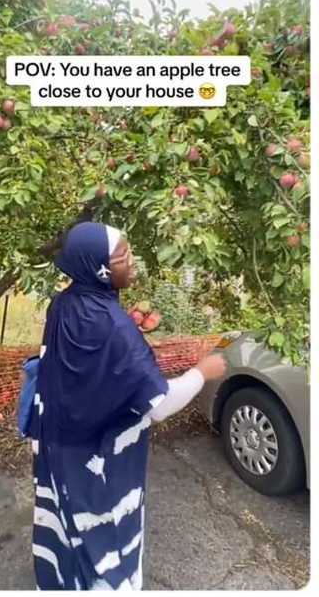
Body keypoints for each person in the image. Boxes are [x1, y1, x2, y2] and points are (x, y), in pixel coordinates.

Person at [28, 221, 226, 590]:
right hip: (99, 457)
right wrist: (202, 371)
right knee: (103, 533)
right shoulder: (114, 327)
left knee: (66, 519)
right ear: (96, 267)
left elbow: (84, 360)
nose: (131, 262)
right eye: (122, 256)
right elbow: (160, 404)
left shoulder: (65, 302)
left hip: (57, 441)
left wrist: (129, 328)